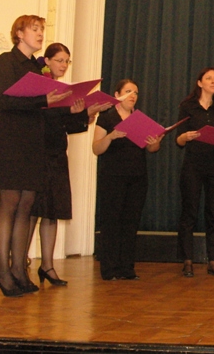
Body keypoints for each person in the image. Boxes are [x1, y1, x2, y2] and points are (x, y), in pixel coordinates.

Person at [0, 15, 72, 297]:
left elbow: (44, 105)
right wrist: (44, 100)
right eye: (34, 29)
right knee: (9, 202)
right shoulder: (6, 61)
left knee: (26, 204)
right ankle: (2, 271)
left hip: (32, 140)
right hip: (10, 139)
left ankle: (18, 270)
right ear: (19, 33)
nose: (40, 34)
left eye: (41, 30)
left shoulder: (38, 70)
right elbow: (5, 100)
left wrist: (66, 105)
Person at [28, 43, 111, 287]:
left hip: (56, 154)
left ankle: (47, 265)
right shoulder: (39, 88)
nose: (64, 65)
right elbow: (39, 119)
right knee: (32, 211)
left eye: (67, 61)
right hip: (37, 154)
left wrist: (84, 114)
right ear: (47, 61)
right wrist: (76, 112)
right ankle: (20, 261)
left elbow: (65, 126)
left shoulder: (64, 91)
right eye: (60, 60)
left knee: (52, 211)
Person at [92, 79, 163, 280]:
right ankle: (109, 269)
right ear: (117, 95)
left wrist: (155, 142)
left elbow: (152, 149)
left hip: (137, 176)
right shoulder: (107, 118)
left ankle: (126, 268)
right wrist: (111, 136)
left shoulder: (140, 119)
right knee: (111, 222)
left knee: (131, 222)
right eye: (128, 91)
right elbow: (96, 148)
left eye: (136, 92)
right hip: (112, 177)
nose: (133, 96)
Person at [175, 67, 214, 278]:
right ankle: (187, 261)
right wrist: (186, 137)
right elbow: (178, 140)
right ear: (199, 83)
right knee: (189, 212)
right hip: (193, 165)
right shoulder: (188, 106)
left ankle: (213, 261)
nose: (213, 81)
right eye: (209, 78)